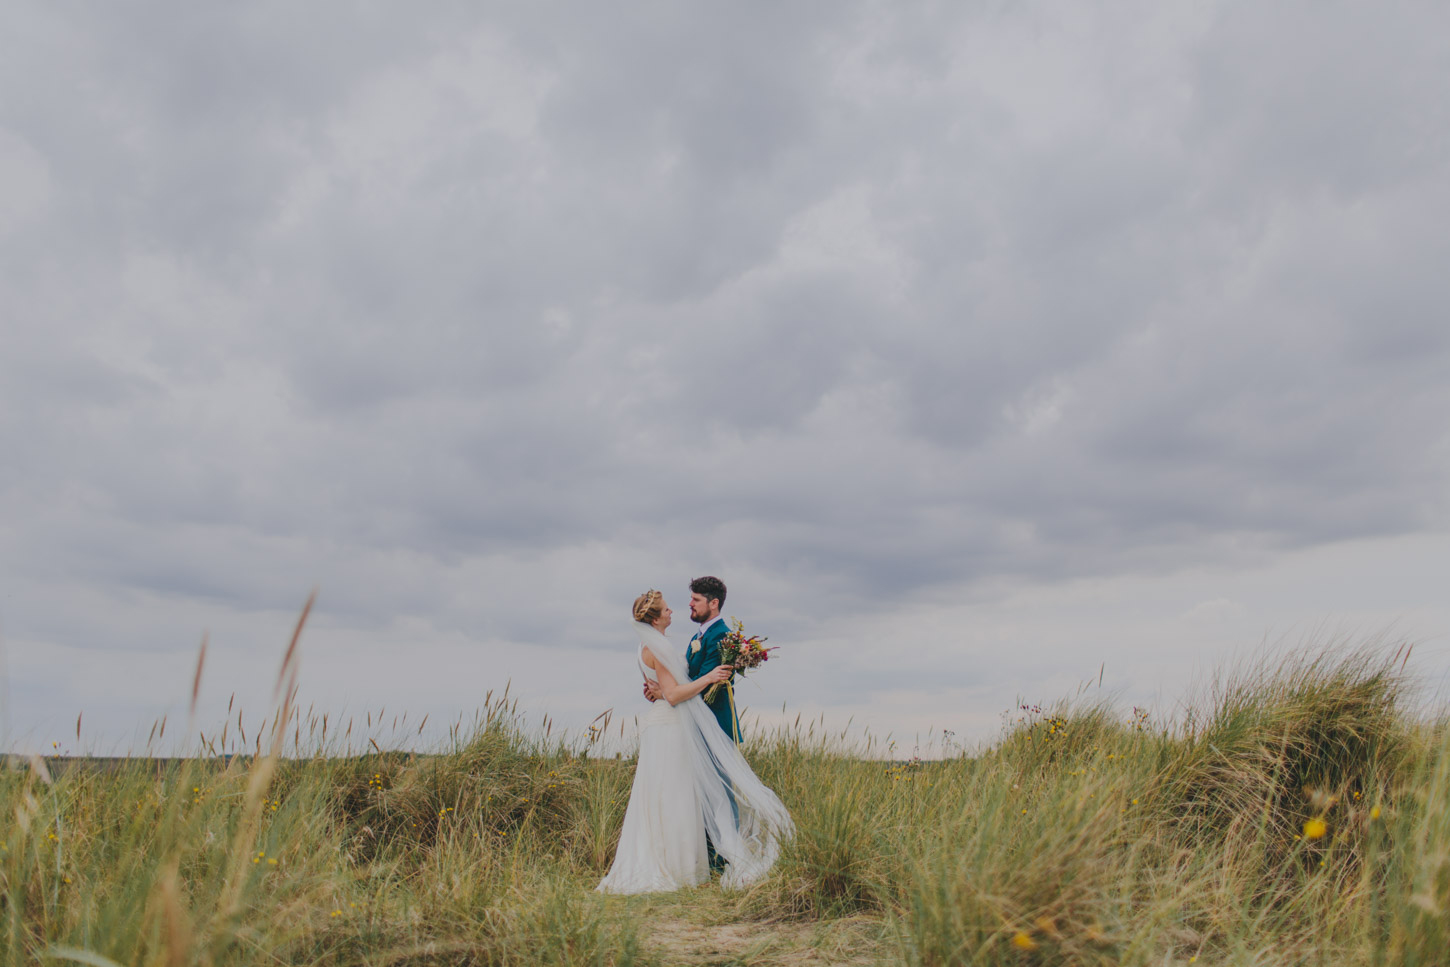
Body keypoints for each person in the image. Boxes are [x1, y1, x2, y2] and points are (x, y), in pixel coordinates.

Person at [596, 590, 793, 894]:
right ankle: (679, 867)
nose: (673, 611)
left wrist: (661, 691)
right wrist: (710, 676)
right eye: (666, 609)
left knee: (665, 795)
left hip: (664, 723)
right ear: (654, 617)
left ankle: (683, 864)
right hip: (669, 726)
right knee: (674, 795)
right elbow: (675, 693)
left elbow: (667, 689)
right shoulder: (657, 646)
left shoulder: (649, 645)